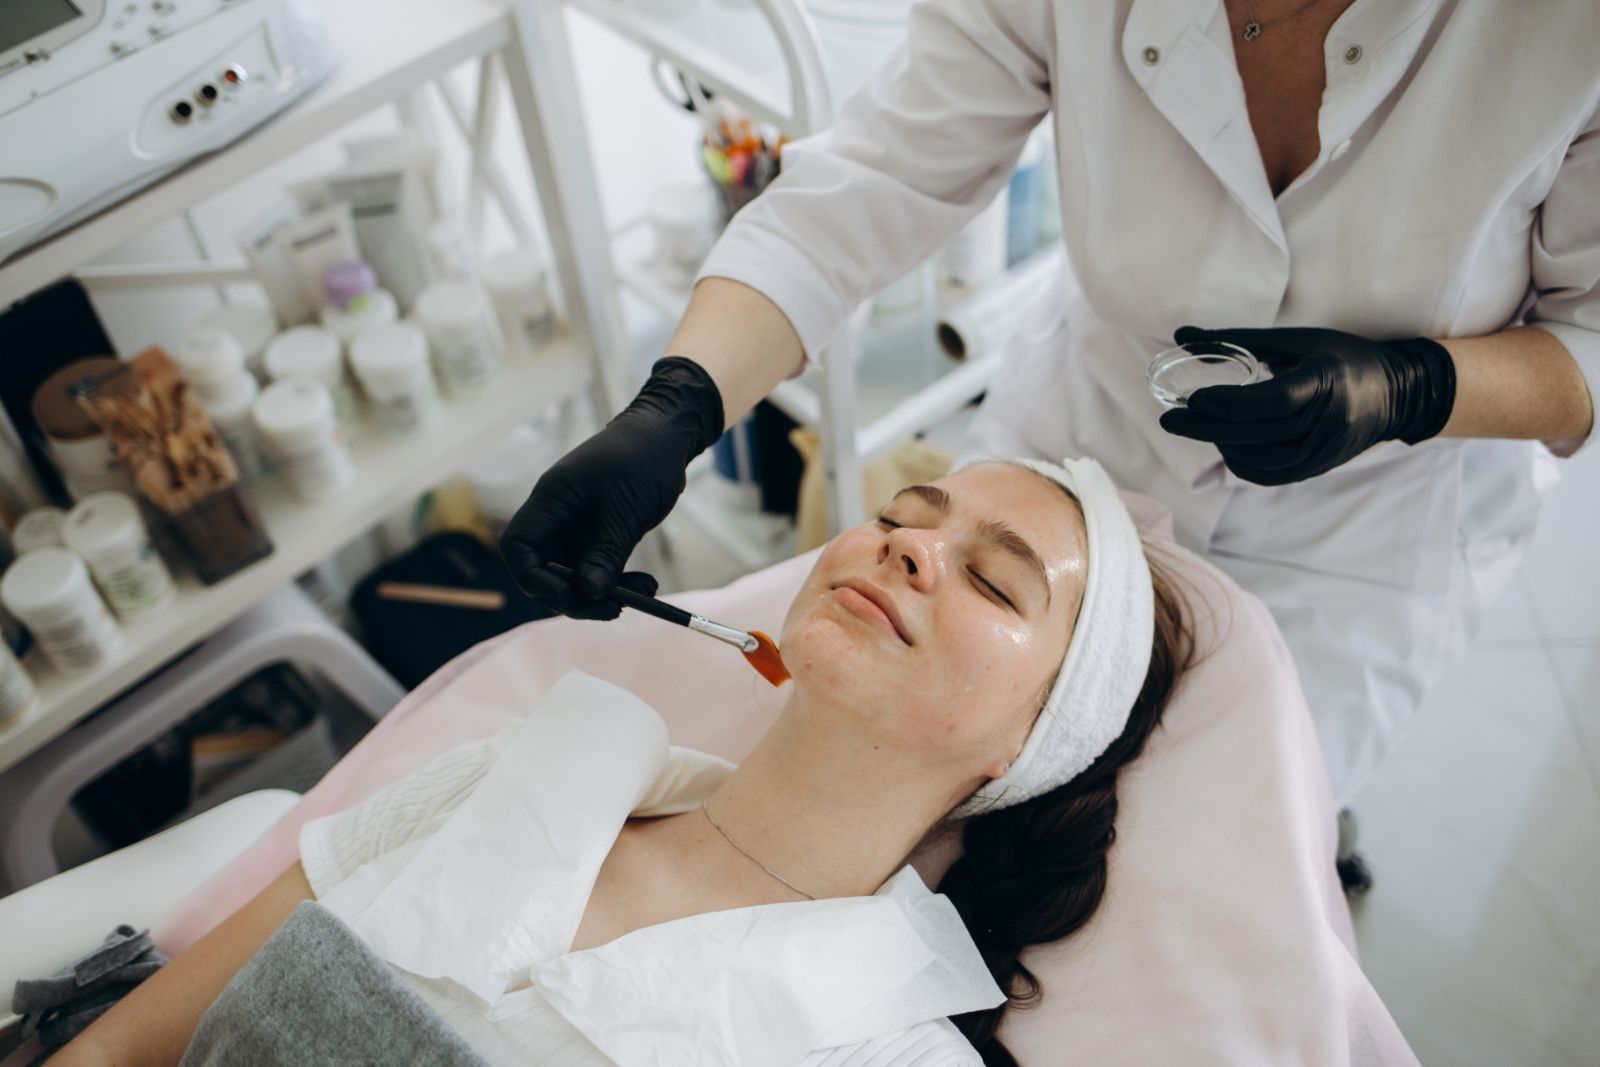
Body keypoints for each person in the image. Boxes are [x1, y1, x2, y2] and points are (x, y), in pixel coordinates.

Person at [500, 0, 1599, 808]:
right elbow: (872, 185)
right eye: (918, 537)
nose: (905, 551)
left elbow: (1588, 339)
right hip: (1080, 442)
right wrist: (677, 404)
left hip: (1361, 532)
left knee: (1222, 830)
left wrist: (1411, 388)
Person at [52, 459, 1192, 1066]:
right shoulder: (529, 762)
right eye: (905, 510)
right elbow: (119, 1046)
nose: (905, 542)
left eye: (995, 581)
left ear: (1026, 749)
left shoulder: (880, 1051)